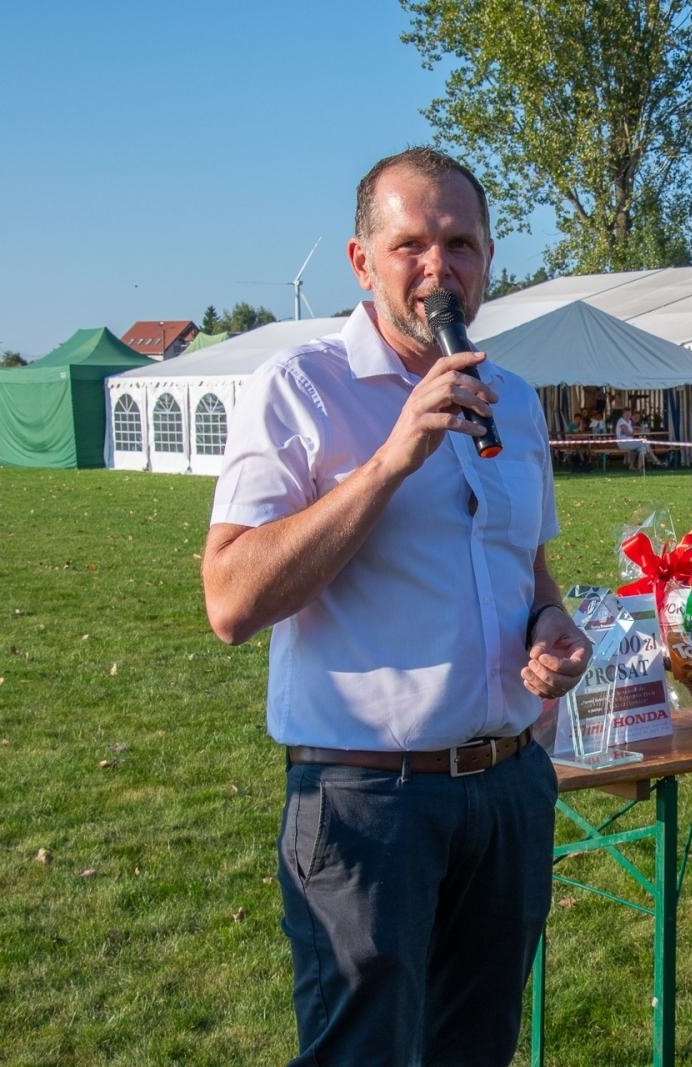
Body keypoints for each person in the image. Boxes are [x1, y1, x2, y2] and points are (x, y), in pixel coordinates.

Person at [200, 146, 591, 1066]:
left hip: (507, 789)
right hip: (369, 803)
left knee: (476, 1049)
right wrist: (390, 461)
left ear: (487, 261)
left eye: (461, 244)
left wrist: (552, 625)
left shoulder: (515, 400)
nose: (436, 268)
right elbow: (231, 599)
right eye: (410, 244)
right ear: (360, 260)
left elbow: (528, 569)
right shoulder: (300, 388)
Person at [614, 406, 663, 472]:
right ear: (623, 414)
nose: (628, 415)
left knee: (643, 448)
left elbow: (631, 429)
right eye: (626, 414)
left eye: (629, 414)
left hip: (629, 442)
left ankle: (639, 468)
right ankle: (655, 460)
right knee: (644, 442)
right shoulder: (621, 421)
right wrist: (636, 431)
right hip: (623, 443)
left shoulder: (628, 421)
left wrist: (637, 428)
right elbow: (629, 433)